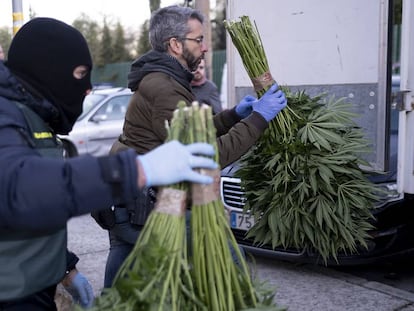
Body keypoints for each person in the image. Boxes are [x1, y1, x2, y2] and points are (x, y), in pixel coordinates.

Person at [0, 17, 218, 310]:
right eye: (79, 74)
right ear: (47, 70)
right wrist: (138, 170)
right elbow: (20, 188)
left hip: (32, 290)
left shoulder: (32, 118)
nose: (87, 88)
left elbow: (28, 217)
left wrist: (66, 268)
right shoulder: (5, 116)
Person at [102, 5, 288, 288]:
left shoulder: (163, 79)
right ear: (175, 44)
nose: (204, 48)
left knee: (124, 273)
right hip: (141, 204)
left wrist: (233, 116)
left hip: (128, 198)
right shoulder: (164, 87)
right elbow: (203, 155)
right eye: (199, 40)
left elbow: (187, 134)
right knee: (230, 268)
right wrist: (260, 118)